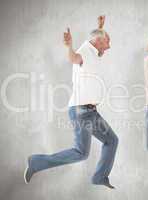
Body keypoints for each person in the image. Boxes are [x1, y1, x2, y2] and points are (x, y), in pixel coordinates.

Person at [24, 16, 118, 189]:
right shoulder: (84, 52)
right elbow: (74, 58)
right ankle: (36, 162)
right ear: (99, 41)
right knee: (81, 153)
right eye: (107, 42)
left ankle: (99, 177)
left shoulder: (94, 50)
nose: (109, 46)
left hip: (91, 112)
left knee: (112, 140)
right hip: (81, 111)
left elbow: (95, 41)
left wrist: (100, 26)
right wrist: (68, 47)